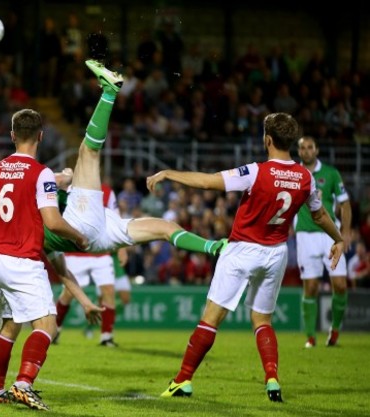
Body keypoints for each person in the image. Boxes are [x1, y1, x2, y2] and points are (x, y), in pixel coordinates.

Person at [146, 112, 345, 402]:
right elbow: (320, 214)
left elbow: (207, 182)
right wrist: (338, 238)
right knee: (262, 319)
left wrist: (168, 173)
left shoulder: (257, 171)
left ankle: (183, 380)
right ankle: (272, 379)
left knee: (211, 318)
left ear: (267, 140)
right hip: (276, 253)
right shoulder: (306, 178)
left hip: (241, 250)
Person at [0, 107, 101, 411]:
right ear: (40, 136)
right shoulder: (41, 173)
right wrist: (79, 236)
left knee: (10, 325)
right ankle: (24, 384)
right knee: (46, 326)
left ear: (12, 136)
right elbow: (52, 221)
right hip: (21, 260)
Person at [43, 60, 227, 281]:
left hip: (100, 235)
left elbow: (61, 270)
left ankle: (214, 247)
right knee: (88, 152)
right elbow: (52, 179)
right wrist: (66, 176)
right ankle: (109, 92)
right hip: (80, 225)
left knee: (165, 228)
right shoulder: (35, 198)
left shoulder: (31, 226)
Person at [296, 136, 351, 348]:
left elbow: (345, 205)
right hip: (305, 235)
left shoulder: (331, 173)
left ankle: (335, 331)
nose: (306, 151)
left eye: (310, 147)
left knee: (340, 285)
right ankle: (310, 336)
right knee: (310, 287)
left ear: (316, 150)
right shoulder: (294, 174)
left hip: (330, 234)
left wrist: (345, 232)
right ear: (299, 151)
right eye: (302, 148)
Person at [55, 181, 125, 347]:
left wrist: (122, 248)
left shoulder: (107, 191)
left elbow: (116, 218)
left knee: (108, 290)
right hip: (76, 251)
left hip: (101, 250)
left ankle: (106, 336)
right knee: (68, 293)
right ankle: (54, 329)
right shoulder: (70, 189)